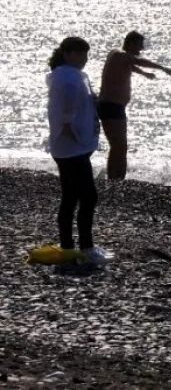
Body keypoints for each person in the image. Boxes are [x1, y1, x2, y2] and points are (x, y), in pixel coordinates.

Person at [46, 37, 106, 264]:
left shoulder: (67, 75)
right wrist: (73, 132)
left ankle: (68, 246)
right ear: (68, 54)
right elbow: (66, 110)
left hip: (68, 147)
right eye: (81, 54)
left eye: (86, 54)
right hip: (71, 147)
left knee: (71, 196)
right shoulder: (67, 78)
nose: (84, 59)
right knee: (88, 196)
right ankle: (86, 247)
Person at [97, 31, 171, 180]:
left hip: (114, 106)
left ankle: (116, 178)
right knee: (119, 145)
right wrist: (162, 68)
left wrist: (144, 74)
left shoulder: (119, 57)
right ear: (130, 43)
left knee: (119, 145)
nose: (141, 49)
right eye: (139, 46)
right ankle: (115, 179)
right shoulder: (119, 55)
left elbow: (131, 65)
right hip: (110, 106)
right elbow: (138, 61)